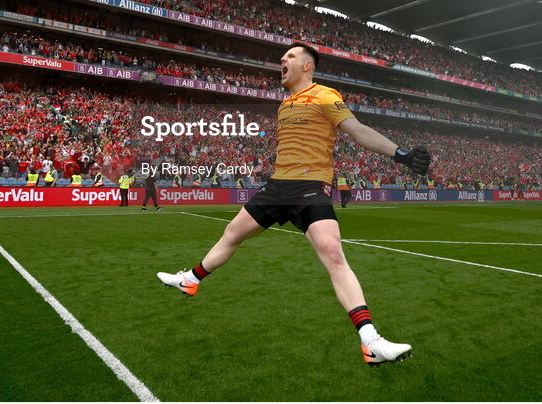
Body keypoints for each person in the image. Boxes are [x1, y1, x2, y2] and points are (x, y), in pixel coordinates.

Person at [156, 44, 431, 366]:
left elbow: (358, 131)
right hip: (276, 187)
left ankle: (370, 341)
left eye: (290, 57)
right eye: (282, 57)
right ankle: (190, 279)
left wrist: (401, 155)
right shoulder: (285, 105)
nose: (282, 60)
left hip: (309, 188)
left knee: (332, 251)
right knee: (231, 234)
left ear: (307, 66)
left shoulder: (326, 96)